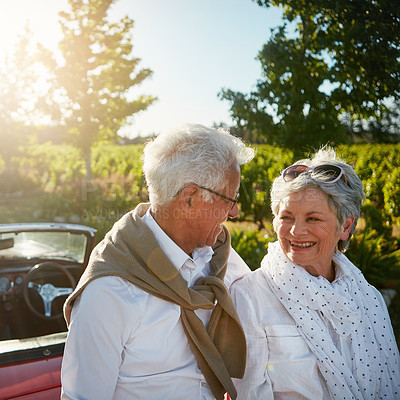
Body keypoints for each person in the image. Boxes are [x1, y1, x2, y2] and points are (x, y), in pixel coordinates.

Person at [61, 124, 255, 400]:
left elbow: (264, 299)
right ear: (189, 198)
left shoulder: (218, 254)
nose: (235, 212)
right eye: (230, 198)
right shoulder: (108, 292)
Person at [230, 148, 400, 399]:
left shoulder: (369, 298)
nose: (296, 231)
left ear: (345, 226)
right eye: (286, 217)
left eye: (313, 219)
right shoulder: (249, 296)